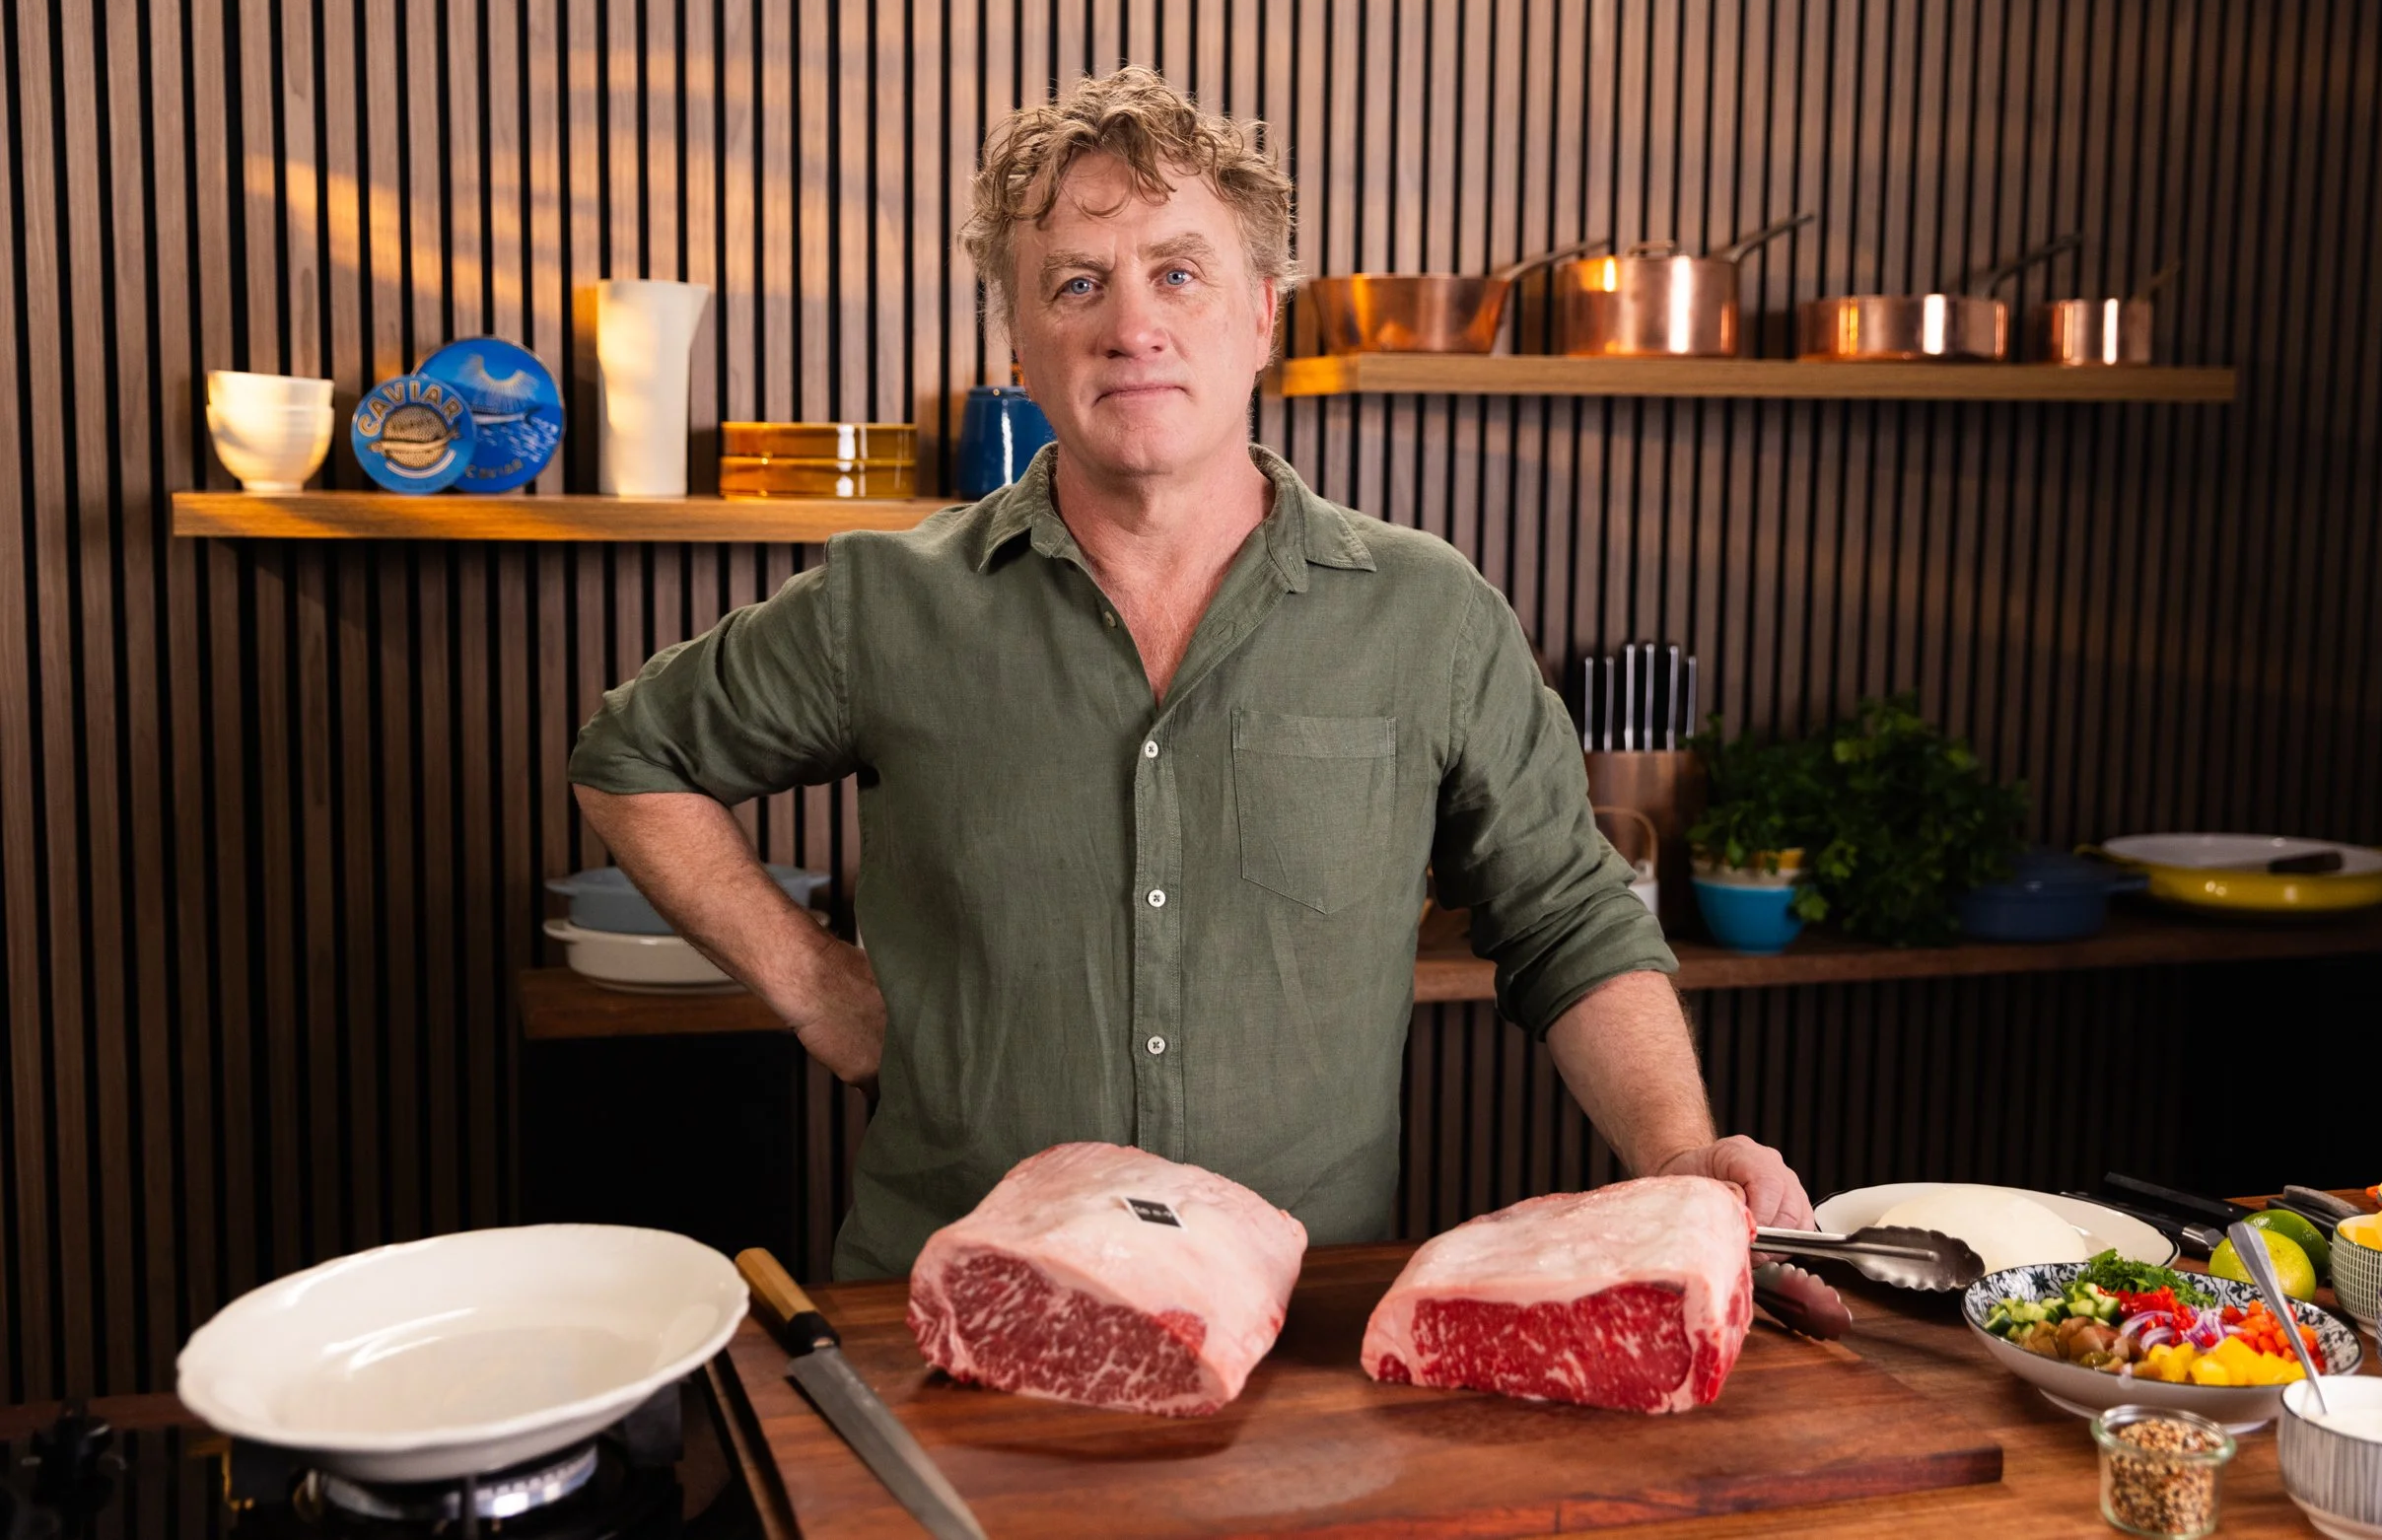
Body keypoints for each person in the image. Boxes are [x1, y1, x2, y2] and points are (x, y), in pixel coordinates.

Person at [568, 67, 1814, 1278]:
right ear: (1019, 340)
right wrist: (816, 987)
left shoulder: (1430, 616)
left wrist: (1679, 1148)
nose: (1131, 326)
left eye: (1177, 270)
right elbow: (629, 756)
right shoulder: (887, 603)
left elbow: (1570, 916)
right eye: (1075, 283)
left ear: (1263, 312)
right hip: (948, 1310)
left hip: (1298, 1326)